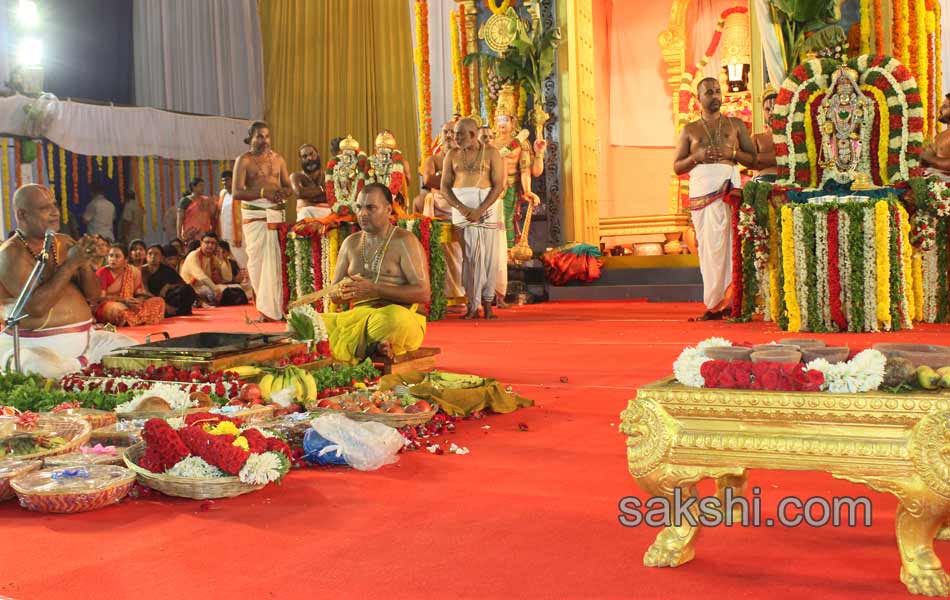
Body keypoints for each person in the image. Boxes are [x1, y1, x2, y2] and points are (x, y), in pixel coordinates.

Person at [0, 185, 134, 378]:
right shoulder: (9, 254)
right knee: (42, 370)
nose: (55, 212)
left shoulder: (63, 242)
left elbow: (94, 295)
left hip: (88, 343)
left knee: (133, 350)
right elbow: (36, 307)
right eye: (45, 208)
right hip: (35, 347)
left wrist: (85, 263)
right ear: (22, 215)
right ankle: (76, 373)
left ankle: (79, 371)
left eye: (54, 205)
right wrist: (71, 264)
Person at [673, 76, 757, 321]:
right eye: (709, 92)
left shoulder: (736, 125)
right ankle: (714, 304)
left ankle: (734, 302)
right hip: (704, 197)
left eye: (718, 91)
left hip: (728, 194)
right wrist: (696, 156)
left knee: (732, 247)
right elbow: (678, 167)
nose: (716, 96)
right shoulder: (690, 130)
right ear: (699, 99)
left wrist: (732, 152)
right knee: (709, 251)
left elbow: (753, 160)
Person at [324, 183, 431, 362]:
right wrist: (343, 292)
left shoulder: (405, 241)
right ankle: (375, 346)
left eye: (370, 208)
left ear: (389, 210)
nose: (363, 213)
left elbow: (423, 293)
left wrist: (375, 290)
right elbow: (335, 296)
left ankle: (371, 345)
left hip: (396, 316)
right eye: (359, 207)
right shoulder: (350, 243)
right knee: (310, 323)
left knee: (392, 320)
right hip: (358, 319)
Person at [441, 117, 507, 319]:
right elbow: (445, 187)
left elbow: (498, 185)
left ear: (473, 134)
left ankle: (487, 304)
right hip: (462, 212)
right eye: (454, 134)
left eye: (460, 134)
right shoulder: (451, 155)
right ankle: (473, 303)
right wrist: (461, 207)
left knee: (489, 257)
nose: (456, 138)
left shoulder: (492, 153)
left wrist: (481, 208)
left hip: (487, 209)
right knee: (471, 257)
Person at [232, 121, 292, 321]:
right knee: (257, 265)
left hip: (275, 212)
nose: (263, 140)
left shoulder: (279, 159)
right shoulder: (244, 161)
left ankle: (279, 307)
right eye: (259, 136)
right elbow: (236, 192)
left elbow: (288, 187)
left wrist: (284, 192)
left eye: (266, 136)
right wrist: (263, 192)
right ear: (250, 138)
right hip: (255, 215)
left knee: (277, 262)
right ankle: (265, 310)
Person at [412, 119, 466, 303]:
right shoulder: (433, 159)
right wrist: (452, 179)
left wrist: (442, 178)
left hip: (461, 207)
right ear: (440, 136)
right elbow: (428, 180)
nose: (450, 136)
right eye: (446, 132)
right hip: (438, 208)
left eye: (454, 132)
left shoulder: (466, 156)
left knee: (460, 254)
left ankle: (461, 295)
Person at [94, 244, 166, 327]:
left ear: (126, 260)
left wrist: (138, 301)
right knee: (118, 310)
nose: (113, 259)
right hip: (108, 305)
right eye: (110, 256)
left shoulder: (132, 271)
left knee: (158, 301)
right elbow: (100, 299)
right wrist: (124, 300)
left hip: (129, 304)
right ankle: (140, 320)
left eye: (117, 256)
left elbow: (139, 293)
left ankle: (135, 320)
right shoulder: (102, 272)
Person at [179, 232, 247, 307]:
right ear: (201, 243)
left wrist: (222, 260)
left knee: (238, 287)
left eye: (213, 243)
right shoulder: (193, 256)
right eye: (207, 242)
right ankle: (200, 302)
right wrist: (216, 289)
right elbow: (201, 277)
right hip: (192, 289)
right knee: (212, 292)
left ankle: (207, 301)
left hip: (207, 287)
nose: (210, 245)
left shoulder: (212, 258)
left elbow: (227, 278)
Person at [142, 244, 196, 317]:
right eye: (150, 253)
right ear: (146, 256)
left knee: (187, 290)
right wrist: (162, 303)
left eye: (156, 254)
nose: (153, 256)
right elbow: (144, 292)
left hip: (167, 298)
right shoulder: (142, 271)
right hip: (150, 299)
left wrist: (168, 286)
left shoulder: (167, 270)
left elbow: (181, 284)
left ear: (162, 257)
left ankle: (176, 311)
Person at [216, 170, 247, 270]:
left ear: (233, 180)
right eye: (223, 181)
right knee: (227, 261)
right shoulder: (223, 194)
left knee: (241, 259)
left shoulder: (241, 193)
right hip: (224, 233)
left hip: (238, 234)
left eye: (227, 180)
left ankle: (246, 281)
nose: (225, 183)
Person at [291, 144, 330, 221]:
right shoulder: (296, 176)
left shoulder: (328, 176)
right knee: (305, 212)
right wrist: (322, 189)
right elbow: (299, 193)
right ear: (300, 160)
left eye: (312, 154)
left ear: (318, 155)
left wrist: (310, 195)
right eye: (305, 156)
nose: (309, 158)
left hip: (327, 216)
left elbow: (331, 196)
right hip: (306, 216)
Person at [178, 177, 217, 245]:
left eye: (203, 186)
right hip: (191, 235)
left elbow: (212, 215)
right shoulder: (186, 201)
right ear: (193, 187)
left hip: (205, 235)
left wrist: (213, 204)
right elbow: (180, 219)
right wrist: (179, 234)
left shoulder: (206, 200)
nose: (203, 188)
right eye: (200, 185)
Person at [752, 86, 779, 182]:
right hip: (762, 182)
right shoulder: (757, 138)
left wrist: (762, 158)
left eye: (775, 108)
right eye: (767, 109)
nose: (771, 113)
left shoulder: (792, 136)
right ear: (763, 111)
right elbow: (752, 161)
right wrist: (780, 156)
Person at [922, 93, 950, 181]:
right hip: (934, 182)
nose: (940, 108)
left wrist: (931, 159)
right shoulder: (940, 136)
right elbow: (927, 158)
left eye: (945, 106)